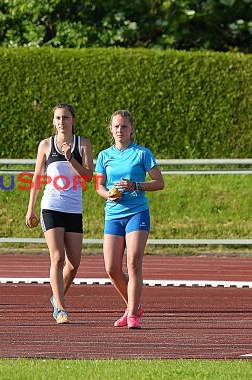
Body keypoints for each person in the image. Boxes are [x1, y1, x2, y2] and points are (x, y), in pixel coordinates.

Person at [94, 109, 165, 329]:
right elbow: (99, 186)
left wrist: (136, 186)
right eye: (116, 126)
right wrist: (109, 194)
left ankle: (133, 315)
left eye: (124, 126)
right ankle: (132, 306)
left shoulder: (142, 154)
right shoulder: (105, 156)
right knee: (111, 268)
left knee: (133, 263)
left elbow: (159, 182)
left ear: (131, 129)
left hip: (137, 212)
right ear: (111, 129)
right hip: (113, 214)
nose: (120, 130)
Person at [25, 103, 93, 324]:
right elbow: (37, 178)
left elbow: (88, 177)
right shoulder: (46, 145)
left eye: (65, 118)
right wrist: (30, 208)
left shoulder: (83, 144)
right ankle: (61, 308)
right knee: (57, 257)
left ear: (73, 120)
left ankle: (56, 297)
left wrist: (70, 158)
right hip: (51, 206)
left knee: (74, 264)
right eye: (57, 118)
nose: (61, 122)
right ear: (53, 122)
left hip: (73, 209)